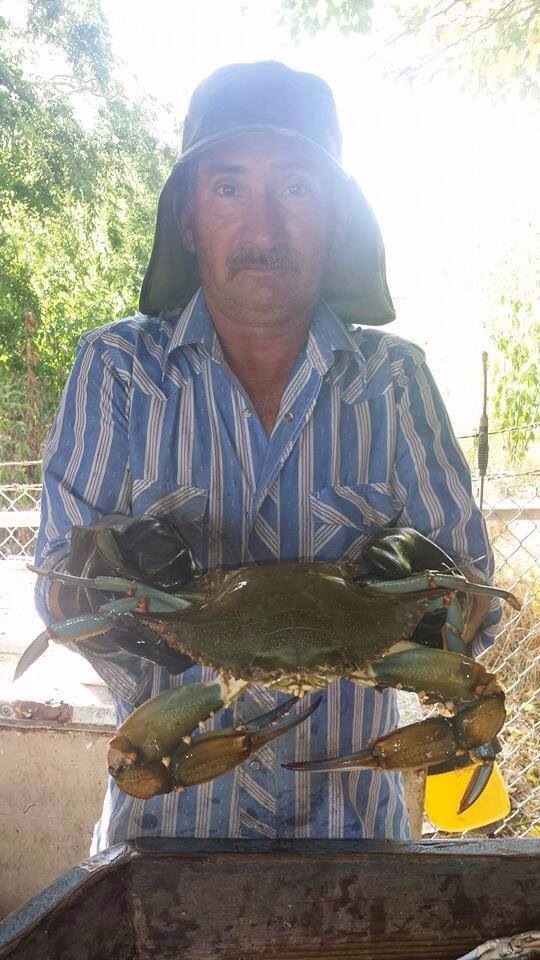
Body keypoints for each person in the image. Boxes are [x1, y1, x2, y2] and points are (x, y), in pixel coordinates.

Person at [34, 61, 500, 851]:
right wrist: (113, 603)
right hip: (162, 835)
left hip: (355, 840)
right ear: (188, 220)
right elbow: (59, 593)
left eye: (295, 188)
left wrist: (440, 603)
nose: (262, 229)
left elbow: (476, 615)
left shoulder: (394, 381)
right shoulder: (115, 370)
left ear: (335, 219)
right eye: (228, 187)